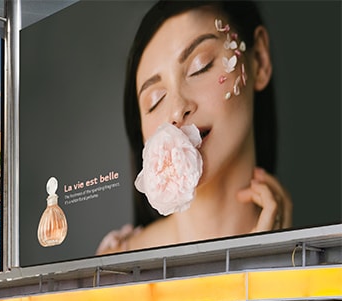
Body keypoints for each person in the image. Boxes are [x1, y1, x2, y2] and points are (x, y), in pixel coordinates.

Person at [98, 1, 291, 254]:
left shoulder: (314, 260)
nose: (177, 110)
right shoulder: (114, 267)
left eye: (201, 66)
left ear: (259, 60)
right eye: (155, 101)